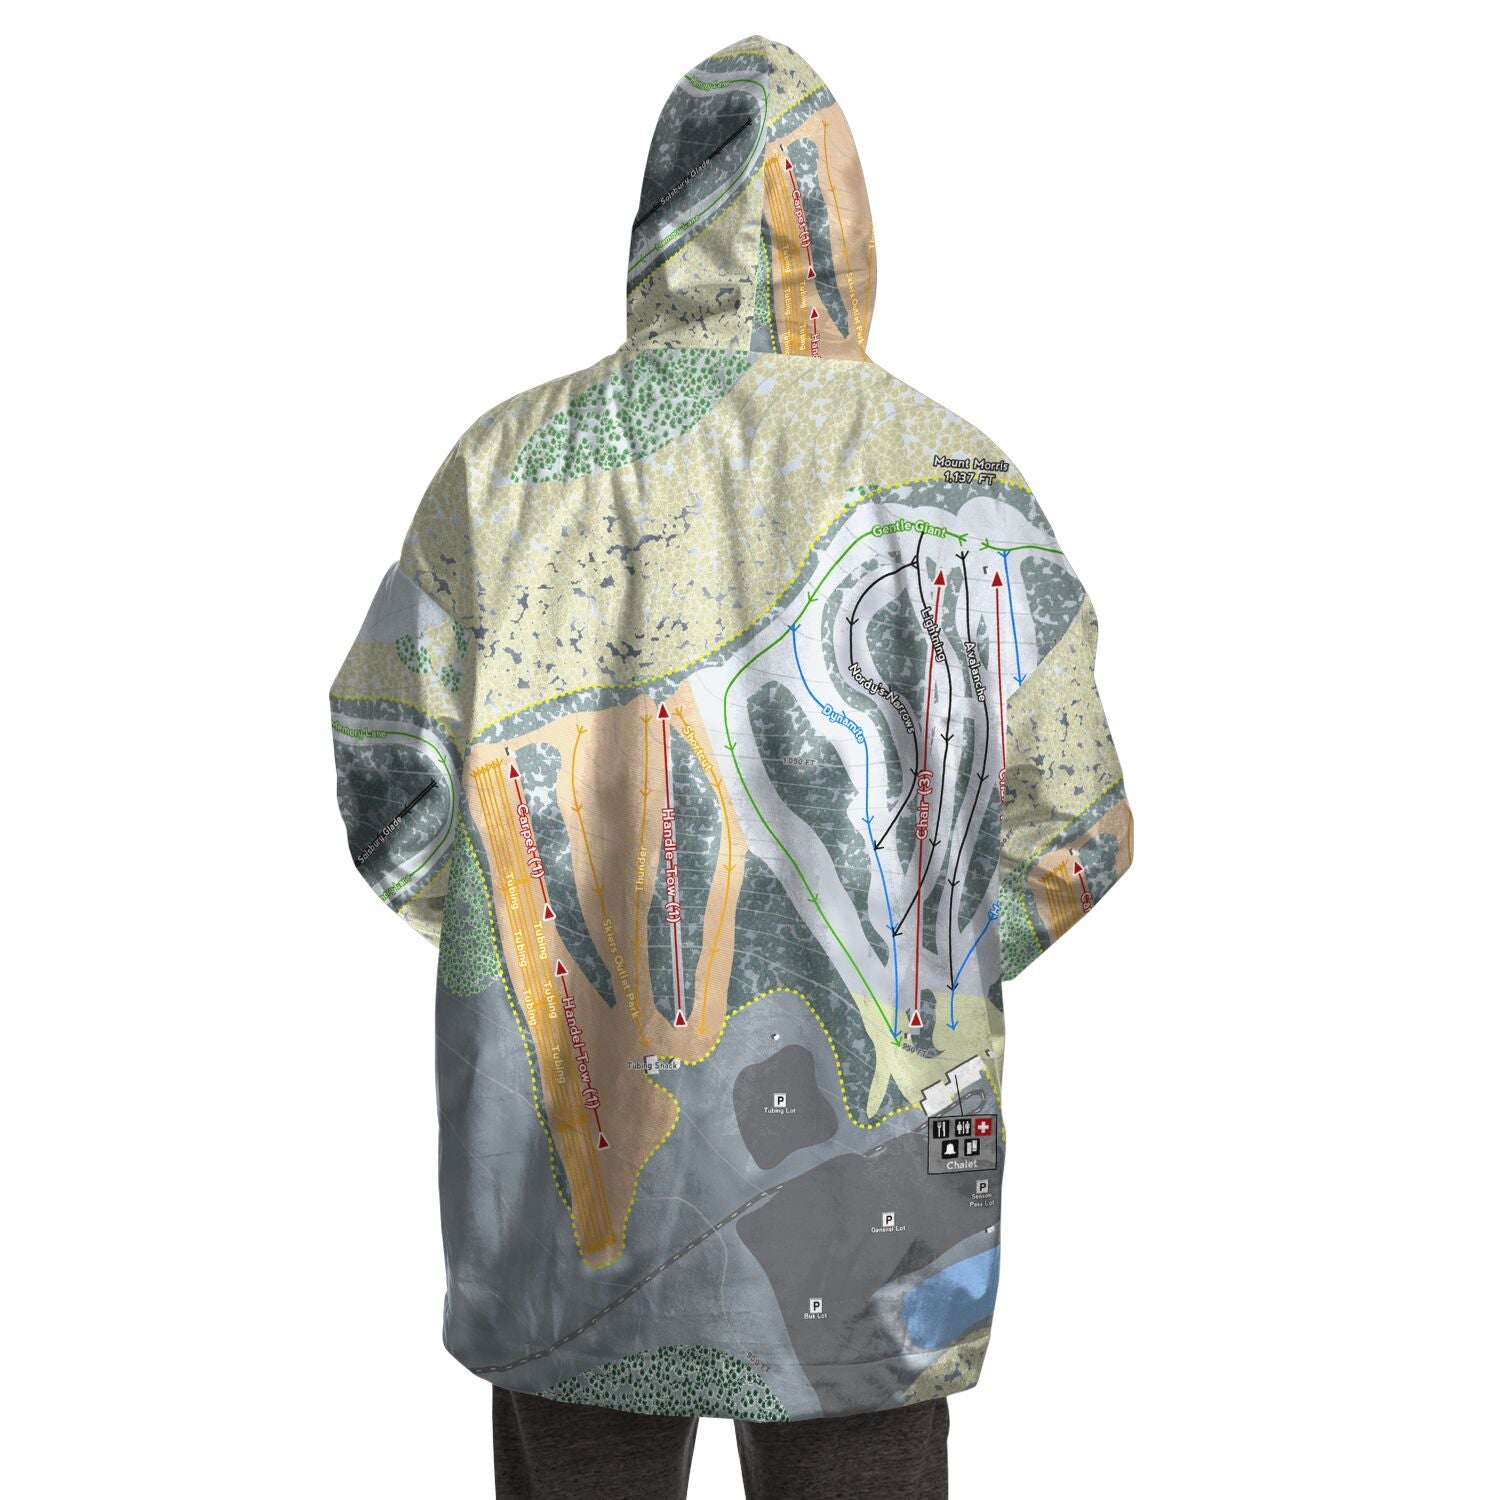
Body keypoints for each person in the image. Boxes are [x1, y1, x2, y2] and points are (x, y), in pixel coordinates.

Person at [328, 34, 1133, 1499]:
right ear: (843, 221)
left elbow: (392, 793)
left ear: (658, 220)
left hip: (571, 1192)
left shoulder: (500, 470)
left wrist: (541, 980)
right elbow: (1077, 834)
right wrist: (926, 973)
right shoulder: (956, 477)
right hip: (879, 1191)